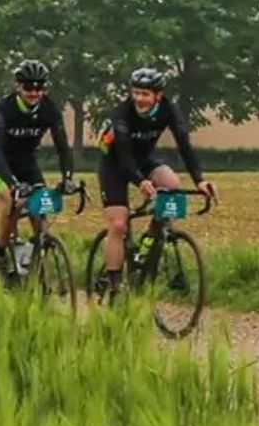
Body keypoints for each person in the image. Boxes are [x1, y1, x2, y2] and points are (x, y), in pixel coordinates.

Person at [93, 66, 216, 297]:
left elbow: (184, 146)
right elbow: (124, 156)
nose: (139, 98)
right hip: (115, 164)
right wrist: (140, 181)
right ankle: (114, 286)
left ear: (158, 96)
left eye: (145, 94)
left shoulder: (169, 110)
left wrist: (200, 180)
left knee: (172, 187)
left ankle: (151, 238)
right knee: (119, 225)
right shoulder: (122, 114)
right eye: (136, 93)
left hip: (143, 160)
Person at [0, 59, 76, 278]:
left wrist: (68, 177)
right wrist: (13, 185)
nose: (34, 92)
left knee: (38, 208)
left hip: (25, 161)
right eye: (28, 87)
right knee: (12, 201)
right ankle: (0, 251)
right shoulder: (3, 110)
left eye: (39, 87)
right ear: (18, 87)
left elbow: (63, 147)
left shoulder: (49, 109)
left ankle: (35, 262)